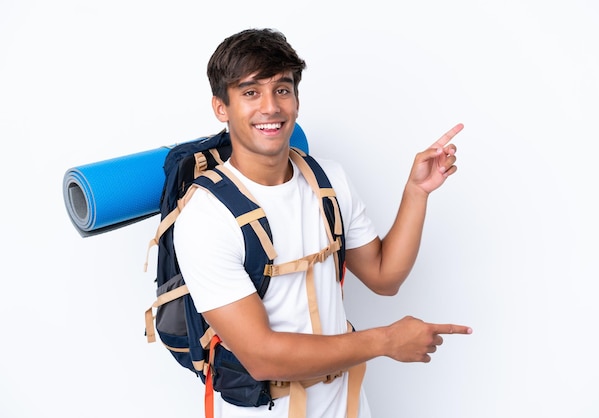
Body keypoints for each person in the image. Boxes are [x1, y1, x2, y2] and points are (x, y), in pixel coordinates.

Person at [173, 28, 472, 418]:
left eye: (282, 89)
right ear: (221, 108)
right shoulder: (206, 216)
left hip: (346, 405)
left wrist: (417, 193)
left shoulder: (327, 180)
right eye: (250, 92)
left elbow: (385, 277)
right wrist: (385, 340)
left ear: (296, 99)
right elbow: (261, 357)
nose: (270, 107)